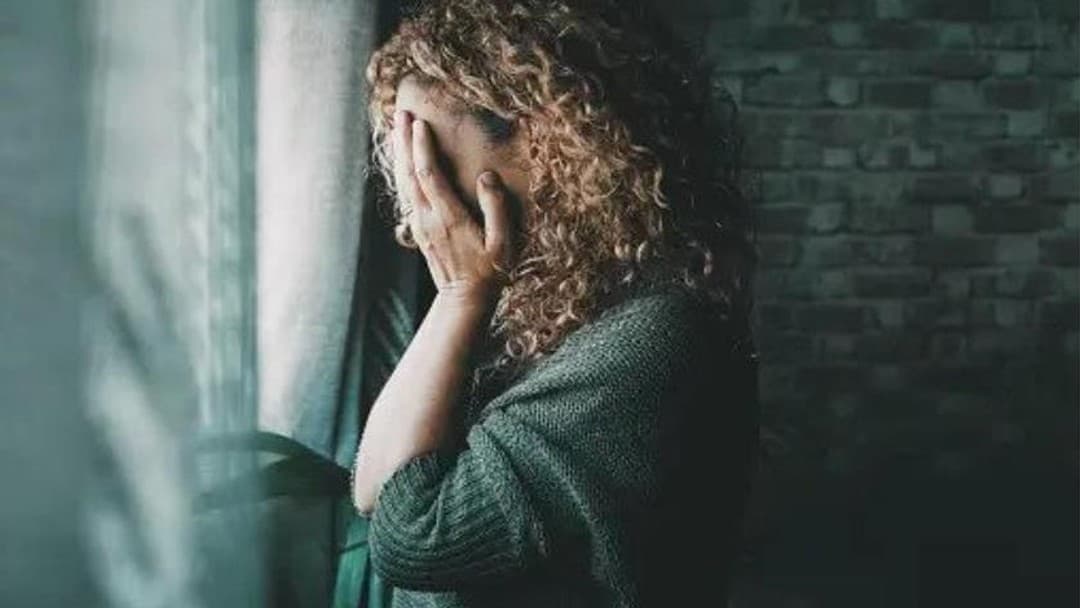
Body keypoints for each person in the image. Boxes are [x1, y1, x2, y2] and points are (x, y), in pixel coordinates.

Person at [350, 0, 761, 605]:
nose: (422, 209)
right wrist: (463, 297)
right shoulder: (543, 298)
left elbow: (414, 537)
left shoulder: (653, 338)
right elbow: (374, 491)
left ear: (551, 143)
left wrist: (462, 295)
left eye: (431, 158)